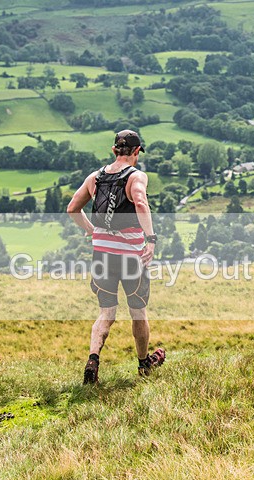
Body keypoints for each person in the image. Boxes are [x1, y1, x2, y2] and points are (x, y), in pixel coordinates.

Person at [67, 129, 165, 384]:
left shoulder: (95, 177)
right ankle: (144, 364)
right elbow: (141, 203)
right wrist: (151, 239)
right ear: (136, 152)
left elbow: (72, 208)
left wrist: (92, 231)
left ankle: (93, 360)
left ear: (114, 150)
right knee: (138, 311)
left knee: (106, 312)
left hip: (102, 255)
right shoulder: (136, 176)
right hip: (131, 256)